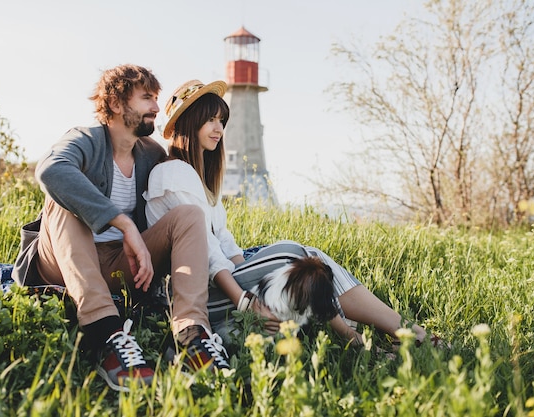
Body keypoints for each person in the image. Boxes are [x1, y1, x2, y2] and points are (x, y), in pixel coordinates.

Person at [143, 79, 442, 349]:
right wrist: (245, 300)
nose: (219, 129)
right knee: (296, 256)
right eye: (210, 120)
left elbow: (225, 242)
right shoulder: (173, 173)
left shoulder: (198, 179)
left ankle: (403, 333)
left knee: (312, 257)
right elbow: (207, 253)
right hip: (193, 293)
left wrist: (250, 265)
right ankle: (367, 342)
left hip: (222, 277)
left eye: (222, 120)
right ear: (188, 123)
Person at [11, 66, 230, 393]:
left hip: (119, 264)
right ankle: (107, 335)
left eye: (156, 99)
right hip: (61, 260)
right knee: (62, 201)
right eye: (146, 98)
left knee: (188, 216)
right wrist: (122, 221)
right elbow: (50, 170)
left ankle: (189, 336)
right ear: (115, 103)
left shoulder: (151, 154)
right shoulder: (86, 139)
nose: (156, 107)